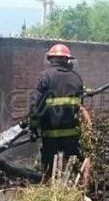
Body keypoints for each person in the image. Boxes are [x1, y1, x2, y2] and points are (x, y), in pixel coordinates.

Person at [28, 43, 86, 174]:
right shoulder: (77, 78)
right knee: (70, 170)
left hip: (50, 135)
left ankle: (49, 189)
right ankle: (72, 192)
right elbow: (81, 107)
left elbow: (36, 106)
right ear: (67, 59)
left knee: (49, 171)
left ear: (51, 59)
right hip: (72, 135)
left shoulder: (45, 76)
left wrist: (33, 127)